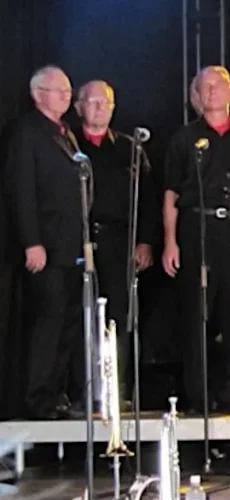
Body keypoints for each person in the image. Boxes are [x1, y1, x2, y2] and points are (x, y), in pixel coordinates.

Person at [162, 65, 230, 413]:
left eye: (218, 85)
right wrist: (170, 241)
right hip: (196, 230)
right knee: (197, 314)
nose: (212, 92)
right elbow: (171, 194)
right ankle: (198, 396)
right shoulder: (184, 138)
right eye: (204, 87)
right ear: (196, 96)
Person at [72, 80, 157, 411]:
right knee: (79, 316)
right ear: (78, 107)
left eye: (105, 102)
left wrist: (145, 242)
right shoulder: (68, 144)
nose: (98, 108)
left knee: (118, 318)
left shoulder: (129, 148)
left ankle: (116, 390)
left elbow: (148, 198)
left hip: (119, 242)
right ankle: (81, 392)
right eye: (91, 102)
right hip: (77, 241)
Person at [6, 66, 80, 420]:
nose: (66, 96)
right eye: (58, 90)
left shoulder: (66, 134)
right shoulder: (27, 132)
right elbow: (22, 190)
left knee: (66, 322)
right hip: (45, 246)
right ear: (38, 94)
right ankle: (38, 397)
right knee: (47, 323)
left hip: (70, 247)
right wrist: (31, 241)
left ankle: (56, 392)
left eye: (68, 91)